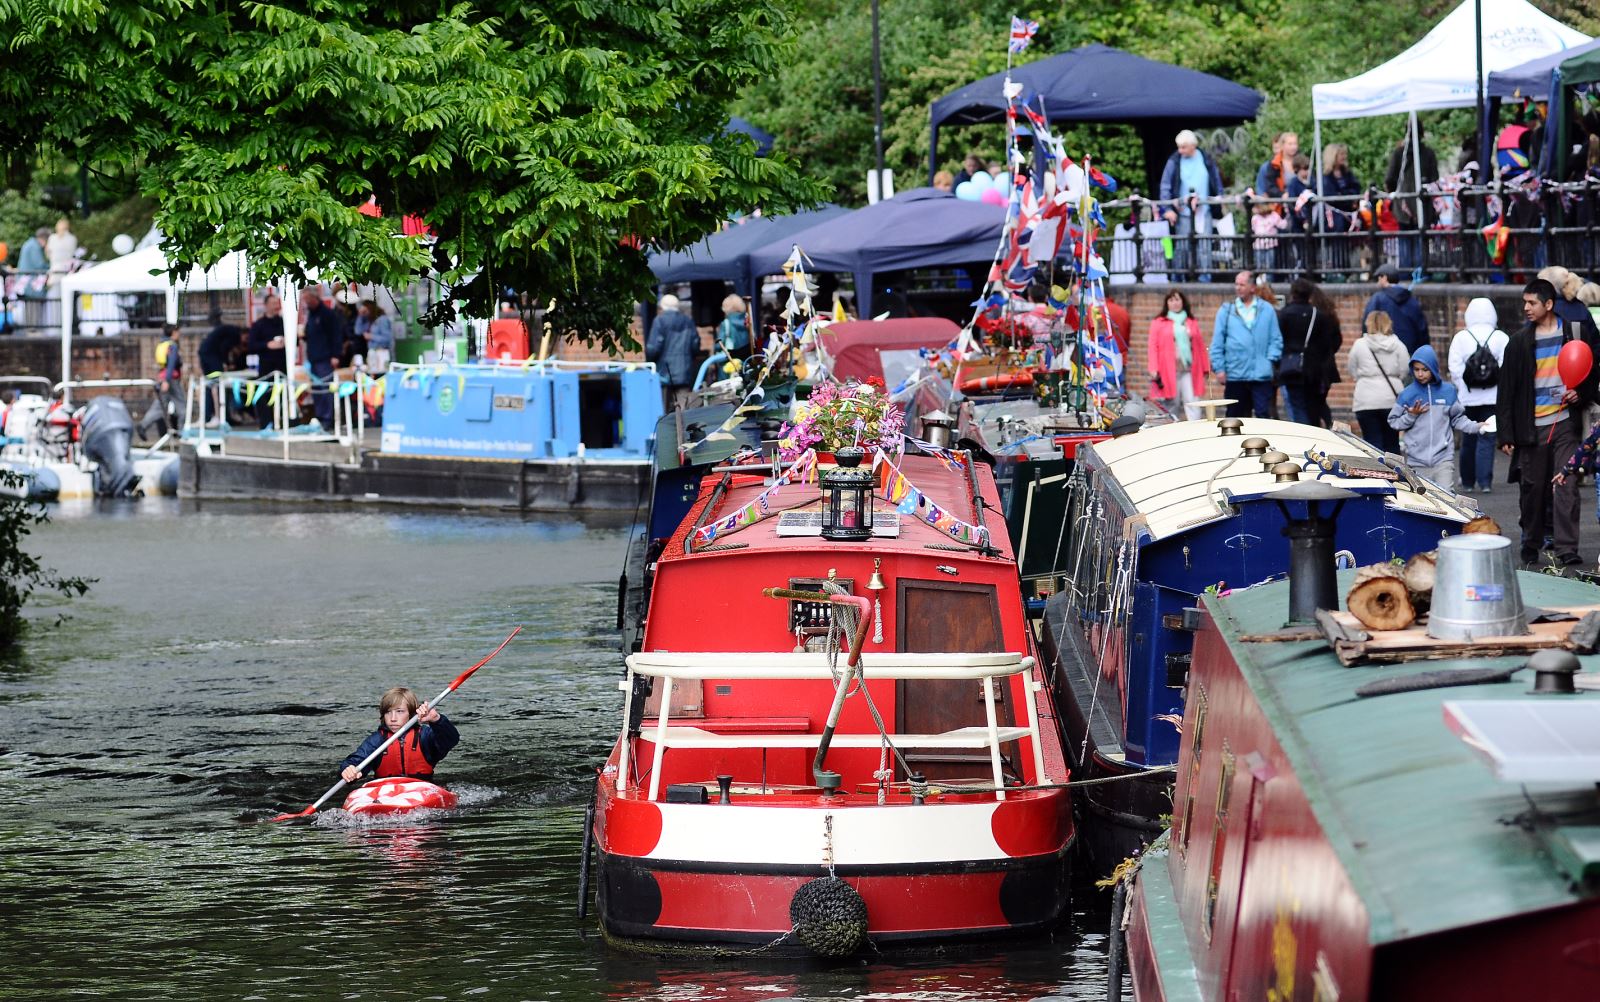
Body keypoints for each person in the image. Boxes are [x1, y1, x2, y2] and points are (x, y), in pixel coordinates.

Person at [1496, 278, 1600, 567]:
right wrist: (1506, 433)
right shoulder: (1518, 343)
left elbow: (1591, 372)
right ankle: (1531, 542)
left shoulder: (1574, 333)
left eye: (1532, 303)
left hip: (1565, 421)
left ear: (1549, 304)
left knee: (1565, 484)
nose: (1526, 308)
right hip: (1531, 427)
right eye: (1524, 303)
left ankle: (1568, 547)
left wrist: (1579, 393)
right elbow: (1506, 390)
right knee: (1533, 488)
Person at [1387, 344, 1484, 490]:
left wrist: (1476, 426)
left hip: (1443, 458)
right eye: (1416, 369)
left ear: (1433, 368)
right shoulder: (1407, 394)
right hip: (1416, 460)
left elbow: (1457, 418)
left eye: (1425, 370)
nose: (1420, 374)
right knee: (1422, 501)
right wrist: (1411, 415)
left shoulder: (1448, 391)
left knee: (1446, 497)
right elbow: (1394, 422)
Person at [1447, 298, 1508, 493]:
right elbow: (1508, 367)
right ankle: (1485, 482)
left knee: (1468, 438)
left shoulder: (1461, 337)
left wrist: (1462, 387)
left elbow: (1454, 368)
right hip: (1493, 398)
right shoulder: (1500, 337)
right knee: (1487, 438)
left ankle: (1467, 481)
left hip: (1468, 398)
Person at [339, 686, 460, 783]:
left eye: (400, 712)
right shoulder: (377, 740)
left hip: (421, 790)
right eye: (388, 712)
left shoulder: (424, 736)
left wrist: (436, 719)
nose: (393, 718)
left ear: (411, 714)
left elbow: (451, 739)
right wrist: (348, 769)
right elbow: (356, 760)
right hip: (385, 793)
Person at [1209, 270, 1282, 418]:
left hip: (1261, 375)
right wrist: (1219, 369)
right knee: (1235, 417)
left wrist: (1269, 360)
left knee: (1264, 416)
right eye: (1236, 284)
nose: (1238, 288)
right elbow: (1217, 343)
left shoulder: (1267, 310)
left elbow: (1276, 339)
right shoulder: (1226, 311)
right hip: (1235, 375)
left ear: (1252, 287)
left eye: (1242, 284)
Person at [1159, 129, 1224, 282]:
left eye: (1183, 147)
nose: (1180, 151)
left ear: (1193, 146)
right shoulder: (1174, 161)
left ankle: (1205, 277)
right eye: (1179, 147)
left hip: (1204, 209)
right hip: (1183, 211)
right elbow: (1165, 185)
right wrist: (1168, 209)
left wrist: (1219, 197)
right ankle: (1178, 277)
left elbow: (1215, 179)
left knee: (1205, 244)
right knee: (1182, 245)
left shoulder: (1205, 158)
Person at [1276, 278, 1339, 425]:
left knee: (1297, 406)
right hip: (1314, 369)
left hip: (1291, 366)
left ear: (1292, 293)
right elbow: (1327, 344)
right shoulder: (1318, 315)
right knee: (1312, 406)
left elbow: (1278, 340)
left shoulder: (1284, 314)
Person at [1347, 311, 1408, 452]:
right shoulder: (1398, 344)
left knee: (1371, 443)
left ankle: (1374, 474)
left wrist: (1363, 378)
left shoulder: (1359, 345)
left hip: (1366, 399)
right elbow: (1405, 369)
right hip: (1391, 399)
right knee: (1392, 443)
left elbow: (1352, 368)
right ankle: (1395, 472)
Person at [1147, 289, 1209, 420]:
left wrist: (1205, 367)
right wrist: (1153, 368)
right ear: (1167, 303)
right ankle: (1172, 431)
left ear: (1182, 302)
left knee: (1193, 401)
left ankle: (1195, 431)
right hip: (1168, 370)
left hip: (1189, 369)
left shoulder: (1191, 321)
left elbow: (1200, 345)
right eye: (1171, 300)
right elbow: (1153, 346)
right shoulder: (1158, 322)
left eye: (1177, 299)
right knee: (1171, 404)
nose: (1174, 303)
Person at [1384, 121, 1439, 271]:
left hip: (1404, 205)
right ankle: (1419, 271)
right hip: (1419, 203)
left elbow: (1389, 179)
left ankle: (1407, 271)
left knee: (1406, 239)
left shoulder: (1399, 153)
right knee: (1419, 239)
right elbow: (1434, 179)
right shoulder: (1427, 154)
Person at [645, 293, 698, 411]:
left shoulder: (659, 321)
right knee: (684, 409)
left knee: (662, 409)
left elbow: (653, 348)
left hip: (664, 371)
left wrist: (650, 361)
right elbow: (695, 345)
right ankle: (683, 429)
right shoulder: (688, 320)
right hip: (684, 370)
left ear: (662, 306)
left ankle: (664, 429)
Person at [1363, 262, 1428, 355]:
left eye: (1379, 278)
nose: (1377, 282)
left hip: (1383, 353)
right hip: (1409, 353)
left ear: (1384, 278)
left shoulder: (1377, 299)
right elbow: (1422, 331)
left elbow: (1367, 325)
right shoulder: (1411, 300)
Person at [300, 286, 341, 427]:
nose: (306, 302)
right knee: (316, 390)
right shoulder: (311, 314)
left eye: (307, 299)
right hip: (313, 358)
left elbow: (335, 335)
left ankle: (327, 418)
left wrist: (335, 355)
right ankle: (319, 416)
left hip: (325, 357)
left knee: (325, 389)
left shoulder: (327, 314)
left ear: (314, 298)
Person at [247, 293, 287, 427]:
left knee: (282, 394)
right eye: (273, 303)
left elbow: (296, 340)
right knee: (264, 395)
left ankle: (281, 421)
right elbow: (251, 346)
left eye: (277, 303)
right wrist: (267, 345)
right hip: (266, 366)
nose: (276, 306)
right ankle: (266, 423)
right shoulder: (259, 325)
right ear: (266, 306)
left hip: (282, 365)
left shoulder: (283, 322)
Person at [198, 310, 244, 425]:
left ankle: (208, 416)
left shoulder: (227, 330)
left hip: (204, 353)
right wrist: (226, 363)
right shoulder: (235, 335)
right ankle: (218, 416)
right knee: (217, 386)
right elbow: (224, 348)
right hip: (212, 357)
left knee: (210, 386)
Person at [139, 323, 183, 440]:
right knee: (181, 406)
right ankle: (182, 433)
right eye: (178, 332)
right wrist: (167, 381)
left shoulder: (162, 344)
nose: (179, 334)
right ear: (174, 332)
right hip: (171, 380)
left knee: (159, 406)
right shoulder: (172, 346)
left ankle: (143, 425)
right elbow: (171, 364)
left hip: (162, 377)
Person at [16, 227, 49, 330]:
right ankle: (32, 331)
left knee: (29, 309)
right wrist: (51, 266)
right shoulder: (35, 246)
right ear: (44, 239)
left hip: (25, 283)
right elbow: (40, 265)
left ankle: (29, 330)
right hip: (32, 285)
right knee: (33, 310)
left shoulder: (29, 243)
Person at [355, 299, 393, 372]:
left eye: (366, 311)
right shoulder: (369, 321)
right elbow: (358, 331)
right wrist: (360, 316)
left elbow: (387, 338)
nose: (365, 313)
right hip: (372, 353)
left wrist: (372, 336)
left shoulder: (382, 320)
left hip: (382, 353)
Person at [715, 293, 750, 363]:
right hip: (746, 361)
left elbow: (719, 346)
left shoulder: (726, 323)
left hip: (730, 362)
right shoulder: (748, 322)